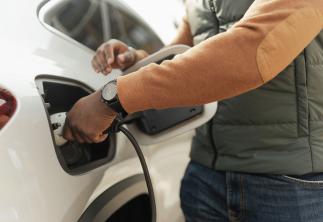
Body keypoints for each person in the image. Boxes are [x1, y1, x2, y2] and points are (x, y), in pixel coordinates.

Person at [63, 0, 323, 221]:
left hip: (288, 184)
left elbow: (252, 50)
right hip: (205, 176)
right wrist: (138, 60)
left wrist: (115, 97)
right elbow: (187, 55)